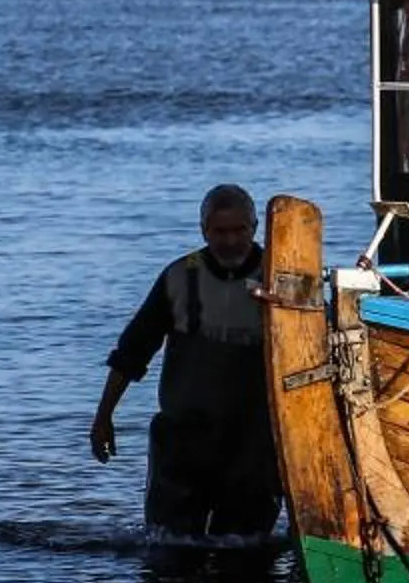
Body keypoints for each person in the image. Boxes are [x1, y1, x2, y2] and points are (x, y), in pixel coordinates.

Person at [89, 184, 281, 547]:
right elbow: (132, 353)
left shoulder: (281, 276)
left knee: (247, 551)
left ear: (255, 227)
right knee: (169, 548)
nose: (230, 241)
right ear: (203, 230)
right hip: (183, 440)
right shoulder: (179, 277)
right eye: (219, 231)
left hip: (254, 443)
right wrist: (103, 418)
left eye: (239, 230)